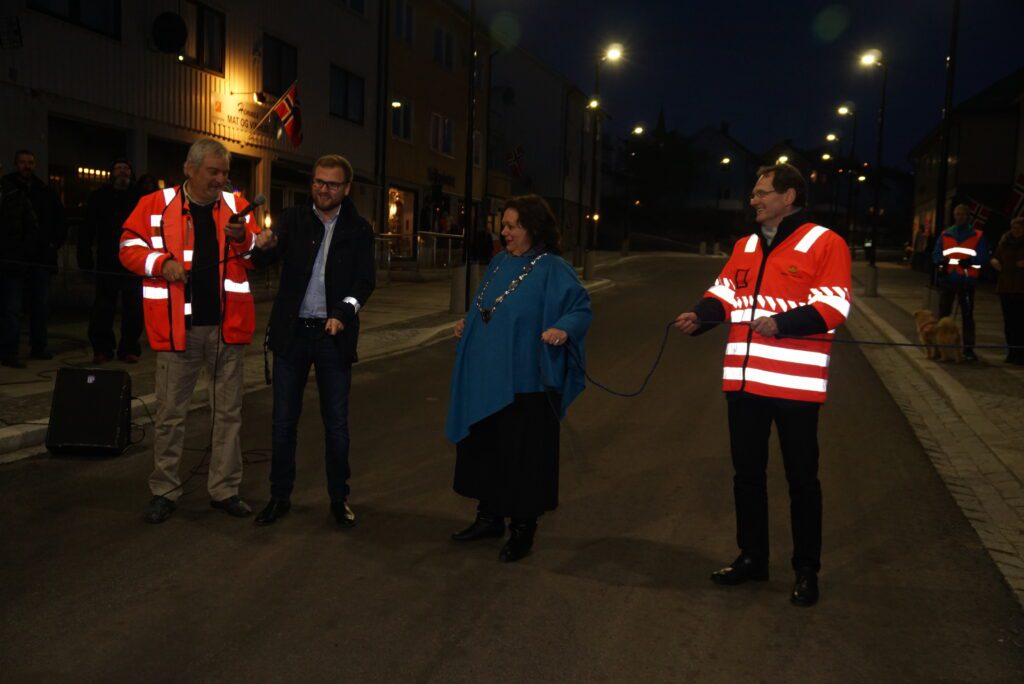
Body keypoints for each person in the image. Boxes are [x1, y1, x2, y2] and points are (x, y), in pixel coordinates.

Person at [674, 163, 851, 607]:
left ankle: (806, 570)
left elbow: (833, 306)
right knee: (747, 476)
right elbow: (725, 293)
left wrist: (782, 323)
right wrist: (701, 315)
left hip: (795, 388)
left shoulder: (825, 242)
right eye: (753, 193)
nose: (753, 199)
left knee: (801, 481)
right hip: (744, 386)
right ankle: (752, 557)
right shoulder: (746, 245)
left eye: (762, 192)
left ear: (789, 197)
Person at [119, 138, 261, 524]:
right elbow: (127, 246)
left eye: (224, 173)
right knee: (169, 415)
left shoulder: (236, 205)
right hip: (176, 329)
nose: (221, 180)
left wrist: (244, 239)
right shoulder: (155, 203)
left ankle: (225, 490)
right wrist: (160, 262)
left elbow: (255, 257)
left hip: (226, 329)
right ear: (190, 169)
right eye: (213, 172)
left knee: (228, 414)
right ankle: (164, 490)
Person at [446, 194, 592, 562]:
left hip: (526, 383)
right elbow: (488, 306)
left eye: (512, 226)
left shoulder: (553, 268)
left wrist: (562, 328)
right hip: (486, 377)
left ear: (534, 228)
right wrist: (469, 321)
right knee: (488, 450)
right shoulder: (498, 262)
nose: (504, 232)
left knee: (522, 458)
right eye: (503, 225)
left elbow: (580, 308)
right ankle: (489, 517)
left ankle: (523, 529)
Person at [250, 155, 376, 528]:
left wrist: (342, 312)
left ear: (346, 189)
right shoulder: (292, 219)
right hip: (292, 335)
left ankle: (339, 499)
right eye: (319, 182)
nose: (323, 189)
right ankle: (279, 496)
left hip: (332, 338)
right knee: (282, 422)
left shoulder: (358, 229)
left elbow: (364, 284)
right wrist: (260, 245)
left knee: (335, 423)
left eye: (332, 184)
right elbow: (261, 262)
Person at [0, 149, 67, 367]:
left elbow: (58, 220)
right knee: (12, 308)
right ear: (15, 164)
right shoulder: (7, 189)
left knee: (40, 306)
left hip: (40, 259)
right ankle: (9, 351)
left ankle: (39, 346)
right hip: (12, 261)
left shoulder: (44, 190)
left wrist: (52, 245)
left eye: (30, 162)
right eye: (22, 162)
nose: (26, 166)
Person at [78, 158, 144, 363]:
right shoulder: (99, 197)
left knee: (133, 309)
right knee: (102, 309)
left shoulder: (141, 198)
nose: (122, 171)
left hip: (135, 260)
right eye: (118, 168)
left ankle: (129, 348)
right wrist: (85, 257)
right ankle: (102, 348)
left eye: (126, 168)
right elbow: (87, 228)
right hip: (107, 260)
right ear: (112, 173)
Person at [932, 203, 991, 362]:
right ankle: (940, 348)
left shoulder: (977, 235)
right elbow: (936, 253)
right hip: (948, 280)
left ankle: (968, 350)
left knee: (967, 316)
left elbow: (983, 257)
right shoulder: (946, 234)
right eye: (957, 214)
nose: (960, 217)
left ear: (968, 216)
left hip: (966, 281)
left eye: (963, 214)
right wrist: (940, 262)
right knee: (943, 315)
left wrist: (971, 261)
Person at [991, 217, 1024, 365]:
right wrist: (995, 262)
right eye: (1014, 228)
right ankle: (1011, 352)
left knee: (1020, 321)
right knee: (1009, 321)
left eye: (1019, 228)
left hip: (1021, 287)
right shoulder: (1004, 243)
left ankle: (1021, 353)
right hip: (1006, 286)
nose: (1016, 231)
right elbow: (996, 257)